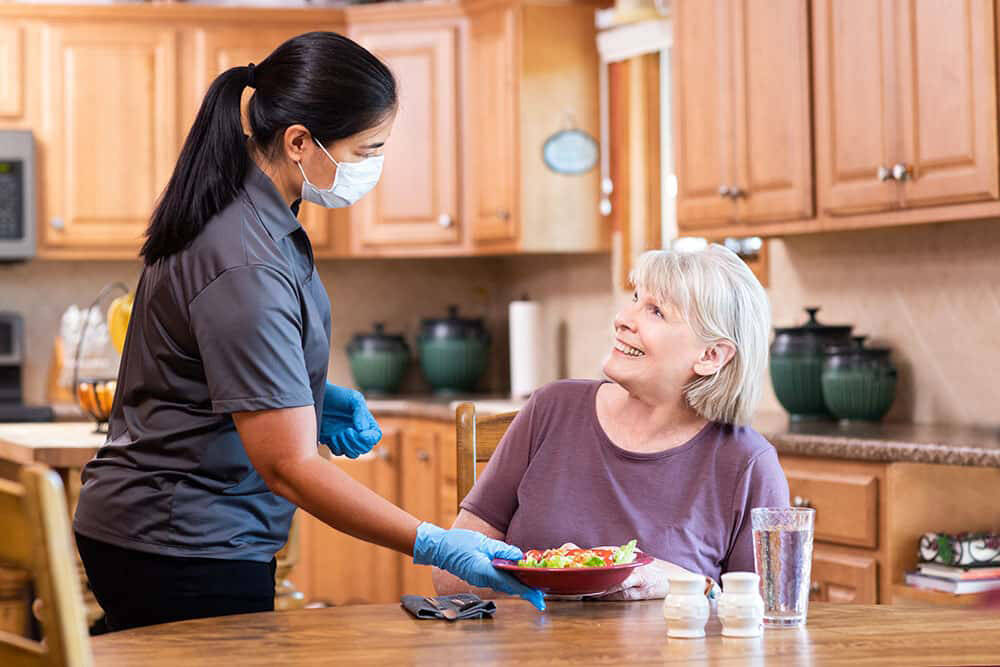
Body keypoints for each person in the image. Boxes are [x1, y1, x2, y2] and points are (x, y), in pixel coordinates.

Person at [73, 31, 542, 633]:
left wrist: (310, 402)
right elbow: (289, 466)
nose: (373, 165)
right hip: (183, 543)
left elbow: (215, 371)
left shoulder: (247, 214)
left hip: (166, 533)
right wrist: (434, 541)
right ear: (299, 141)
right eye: (367, 148)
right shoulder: (246, 259)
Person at [434, 245, 790, 600]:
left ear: (711, 356)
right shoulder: (551, 408)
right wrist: (548, 576)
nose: (623, 318)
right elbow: (448, 576)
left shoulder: (748, 463)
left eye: (656, 311)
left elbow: (767, 622)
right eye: (635, 297)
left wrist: (689, 585)